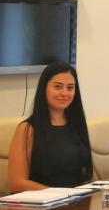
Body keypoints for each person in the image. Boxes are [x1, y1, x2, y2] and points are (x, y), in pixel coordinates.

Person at [7, 62, 93, 191]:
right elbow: (17, 182)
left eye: (70, 88)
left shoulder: (77, 125)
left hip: (75, 199)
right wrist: (60, 195)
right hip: (42, 201)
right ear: (44, 88)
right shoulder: (27, 129)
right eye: (58, 87)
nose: (65, 93)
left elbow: (85, 174)